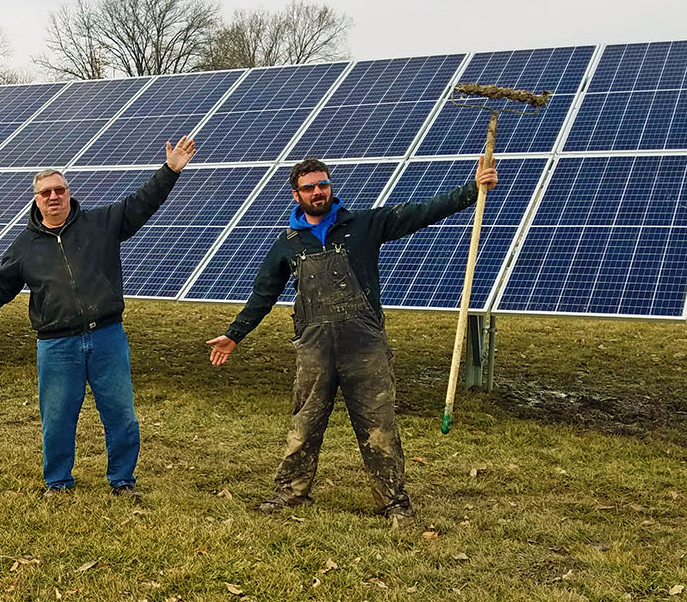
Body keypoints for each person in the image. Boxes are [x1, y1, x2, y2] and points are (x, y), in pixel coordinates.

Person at [205, 155, 497, 523]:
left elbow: (420, 212)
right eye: (309, 187)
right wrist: (234, 335)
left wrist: (472, 190)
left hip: (365, 347)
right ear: (296, 195)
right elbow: (263, 294)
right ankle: (290, 492)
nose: (317, 192)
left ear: (330, 187)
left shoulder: (363, 225)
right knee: (305, 423)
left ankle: (393, 502)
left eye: (322, 184)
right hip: (314, 350)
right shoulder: (288, 244)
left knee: (379, 426)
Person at [0, 137, 197, 498]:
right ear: (36, 199)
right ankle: (57, 482)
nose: (54, 197)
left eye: (59, 190)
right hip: (56, 344)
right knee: (57, 418)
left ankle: (123, 480)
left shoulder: (101, 223)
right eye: (45, 193)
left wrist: (170, 170)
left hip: (107, 336)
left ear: (69, 193)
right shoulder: (24, 246)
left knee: (120, 414)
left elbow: (143, 203)